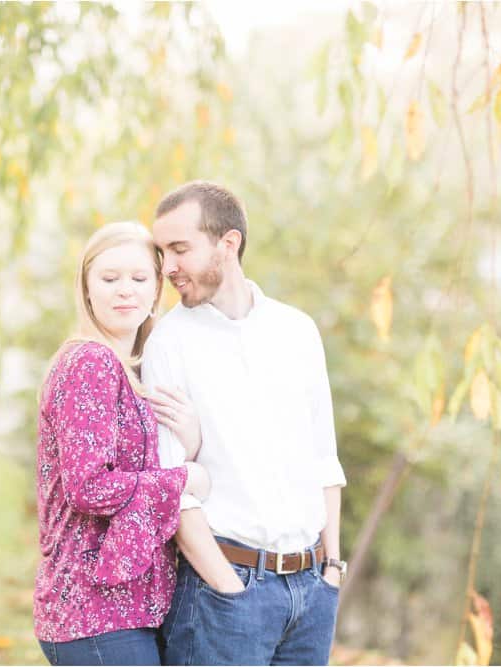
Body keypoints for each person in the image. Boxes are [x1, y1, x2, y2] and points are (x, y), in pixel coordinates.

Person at [141, 181, 347, 666]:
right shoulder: (169, 343)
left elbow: (325, 459)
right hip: (225, 594)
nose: (167, 267)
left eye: (179, 249)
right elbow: (174, 489)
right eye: (162, 252)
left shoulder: (297, 331)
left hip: (312, 591)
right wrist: (228, 588)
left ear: (227, 244)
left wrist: (333, 569)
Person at [34, 222, 213, 666]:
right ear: (87, 289)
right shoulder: (90, 363)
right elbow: (89, 487)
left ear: (156, 290)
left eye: (138, 278)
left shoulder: (131, 370)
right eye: (109, 279)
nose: (124, 291)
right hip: (92, 612)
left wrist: (188, 442)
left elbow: (135, 470)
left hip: (124, 612)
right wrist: (185, 478)